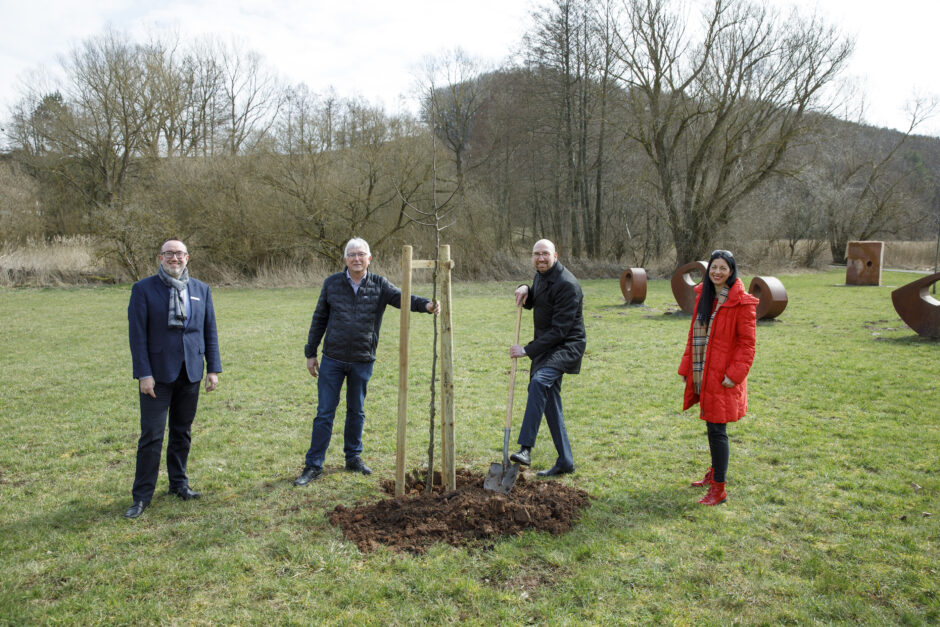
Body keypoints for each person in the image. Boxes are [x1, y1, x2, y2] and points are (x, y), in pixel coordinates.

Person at [294, 237, 440, 486]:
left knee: (356, 411)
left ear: (369, 258)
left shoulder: (379, 284)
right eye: (351, 254)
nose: (356, 258)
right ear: (345, 259)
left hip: (362, 360)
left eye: (361, 254)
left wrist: (426, 305)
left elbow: (403, 298)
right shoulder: (331, 284)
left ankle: (353, 458)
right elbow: (319, 319)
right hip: (332, 360)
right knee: (324, 413)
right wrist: (311, 353)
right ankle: (313, 465)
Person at [125, 239, 221, 519]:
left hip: (190, 372)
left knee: (182, 432)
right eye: (169, 254)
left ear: (188, 257)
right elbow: (137, 337)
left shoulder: (201, 289)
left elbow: (209, 331)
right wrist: (144, 374)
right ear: (160, 257)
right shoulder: (143, 290)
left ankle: (179, 484)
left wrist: (212, 369)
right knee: (151, 436)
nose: (174, 258)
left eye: (179, 254)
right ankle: (142, 496)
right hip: (156, 376)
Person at [678, 249, 758, 506]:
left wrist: (734, 375)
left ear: (731, 271)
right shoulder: (705, 296)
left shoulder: (742, 302)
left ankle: (719, 489)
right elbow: (694, 336)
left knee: (717, 429)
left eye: (723, 268)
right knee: (711, 426)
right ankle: (714, 474)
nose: (717, 272)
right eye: (714, 267)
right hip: (704, 370)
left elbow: (747, 345)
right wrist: (687, 368)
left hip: (723, 377)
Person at [508, 239, 586, 477]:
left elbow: (560, 331)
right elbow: (538, 300)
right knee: (550, 401)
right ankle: (565, 461)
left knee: (539, 382)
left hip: (566, 347)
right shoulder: (540, 275)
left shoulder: (568, 285)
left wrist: (526, 350)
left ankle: (525, 449)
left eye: (545, 254)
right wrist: (525, 288)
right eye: (536, 254)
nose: (540, 258)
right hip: (547, 347)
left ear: (556, 255)